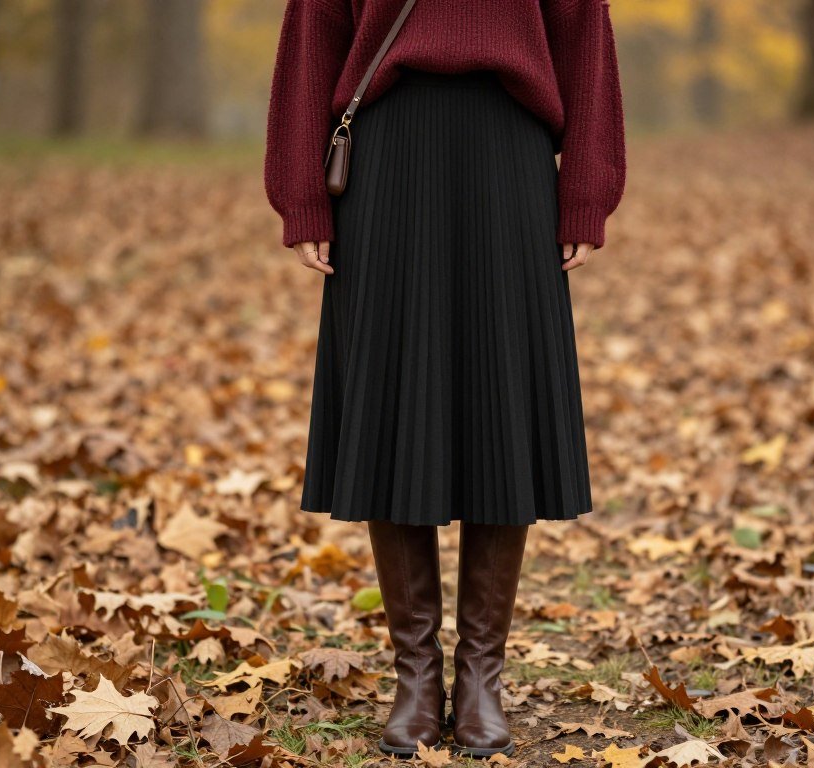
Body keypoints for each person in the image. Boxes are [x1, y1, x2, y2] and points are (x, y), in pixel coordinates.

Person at [264, 0, 626, 758]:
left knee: (505, 398)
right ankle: (416, 678)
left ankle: (481, 677)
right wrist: (302, 195)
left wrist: (587, 189)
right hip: (388, 151)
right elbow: (314, 31)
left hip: (511, 149)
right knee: (395, 402)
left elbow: (583, 33)